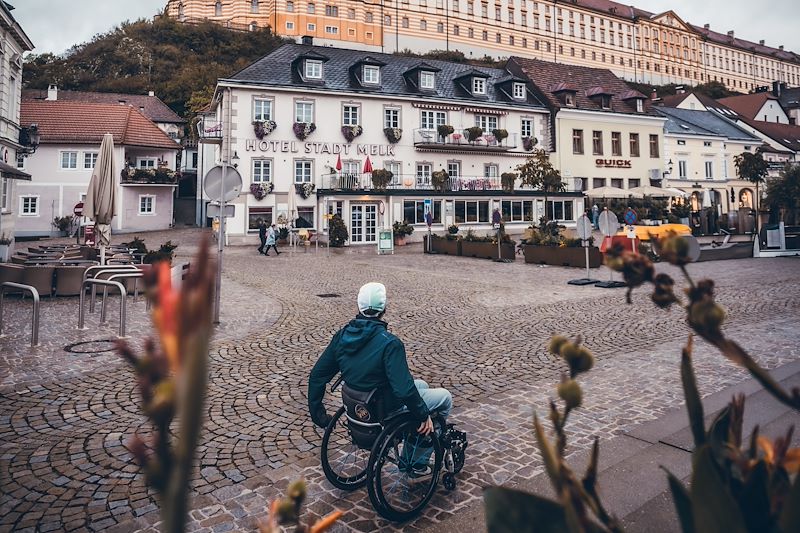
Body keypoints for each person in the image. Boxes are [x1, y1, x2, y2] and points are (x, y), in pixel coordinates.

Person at [308, 282, 452, 472]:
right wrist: (423, 414)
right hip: (386, 407)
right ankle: (417, 457)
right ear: (383, 309)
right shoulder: (390, 344)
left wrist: (319, 415)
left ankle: (415, 433)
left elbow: (317, 375)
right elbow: (403, 388)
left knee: (422, 384)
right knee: (444, 398)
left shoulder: (342, 337)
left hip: (360, 403)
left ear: (358, 307)